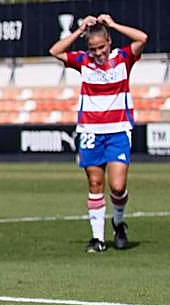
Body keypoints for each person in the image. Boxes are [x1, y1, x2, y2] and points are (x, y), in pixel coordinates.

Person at [50, 13, 148, 253]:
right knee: (95, 183)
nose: (99, 53)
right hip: (91, 131)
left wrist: (113, 24)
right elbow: (55, 51)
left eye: (102, 47)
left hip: (118, 131)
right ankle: (98, 238)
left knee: (117, 186)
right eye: (94, 48)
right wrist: (80, 29)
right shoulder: (84, 61)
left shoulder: (123, 58)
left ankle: (118, 221)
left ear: (109, 43)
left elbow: (142, 38)